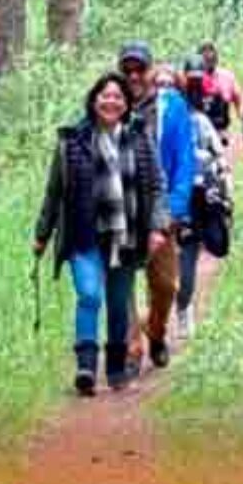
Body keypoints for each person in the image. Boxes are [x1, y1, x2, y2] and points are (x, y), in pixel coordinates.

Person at [33, 72, 169, 394]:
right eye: (105, 96)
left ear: (126, 104)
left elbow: (156, 185)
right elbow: (54, 192)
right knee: (90, 294)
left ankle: (116, 367)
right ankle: (85, 367)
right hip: (83, 235)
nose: (111, 101)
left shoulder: (139, 137)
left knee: (119, 303)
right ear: (94, 101)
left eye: (118, 97)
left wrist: (157, 226)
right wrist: (42, 233)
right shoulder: (71, 141)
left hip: (126, 235)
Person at [117, 43, 195, 370]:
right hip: (119, 210)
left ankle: (157, 330)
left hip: (159, 210)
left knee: (165, 284)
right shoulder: (109, 104)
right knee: (121, 283)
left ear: (151, 70)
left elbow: (184, 162)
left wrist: (173, 213)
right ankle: (132, 349)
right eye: (128, 70)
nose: (134, 76)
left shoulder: (172, 105)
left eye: (140, 69)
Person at [178, 56, 234, 338]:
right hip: (161, 201)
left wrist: (225, 195)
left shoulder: (200, 120)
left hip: (194, 200)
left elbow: (220, 156)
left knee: (187, 256)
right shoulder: (153, 122)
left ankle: (183, 308)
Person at [196, 40, 241, 135]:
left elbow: (238, 96)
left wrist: (239, 114)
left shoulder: (227, 76)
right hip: (198, 129)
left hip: (220, 129)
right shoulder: (193, 78)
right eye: (204, 53)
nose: (208, 56)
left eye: (210, 52)